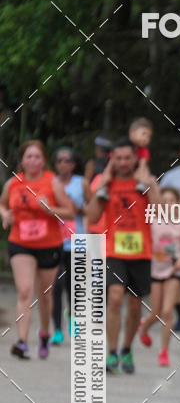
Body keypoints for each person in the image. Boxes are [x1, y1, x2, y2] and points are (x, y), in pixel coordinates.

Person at [86, 138, 160, 373]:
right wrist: (100, 188)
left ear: (135, 159)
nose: (123, 162)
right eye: (118, 158)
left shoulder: (145, 182)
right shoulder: (105, 183)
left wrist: (151, 186)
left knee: (135, 305)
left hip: (141, 252)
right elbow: (92, 217)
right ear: (112, 160)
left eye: (128, 157)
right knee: (115, 297)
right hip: (114, 251)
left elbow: (161, 212)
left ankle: (127, 349)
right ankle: (112, 352)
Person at [0, 140, 75, 359]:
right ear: (22, 159)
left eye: (37, 157)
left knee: (45, 294)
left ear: (44, 160)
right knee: (24, 290)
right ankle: (22, 341)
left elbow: (70, 211)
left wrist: (52, 209)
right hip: (20, 242)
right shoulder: (14, 183)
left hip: (48, 245)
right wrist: (4, 214)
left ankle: (44, 332)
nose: (32, 161)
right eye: (28, 157)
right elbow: (2, 203)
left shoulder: (52, 182)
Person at [138, 186, 180, 366]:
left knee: (167, 311)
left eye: (172, 201)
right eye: (165, 200)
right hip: (155, 271)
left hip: (173, 271)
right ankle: (144, 328)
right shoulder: (152, 221)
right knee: (155, 313)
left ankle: (164, 352)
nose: (168, 204)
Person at [50, 147, 91, 344]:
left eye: (67, 160)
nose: (62, 164)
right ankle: (57, 329)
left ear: (73, 164)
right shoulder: (51, 183)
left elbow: (94, 210)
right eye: (59, 160)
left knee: (74, 287)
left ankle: (73, 319)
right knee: (55, 286)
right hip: (54, 240)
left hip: (78, 239)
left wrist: (79, 209)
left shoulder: (81, 183)